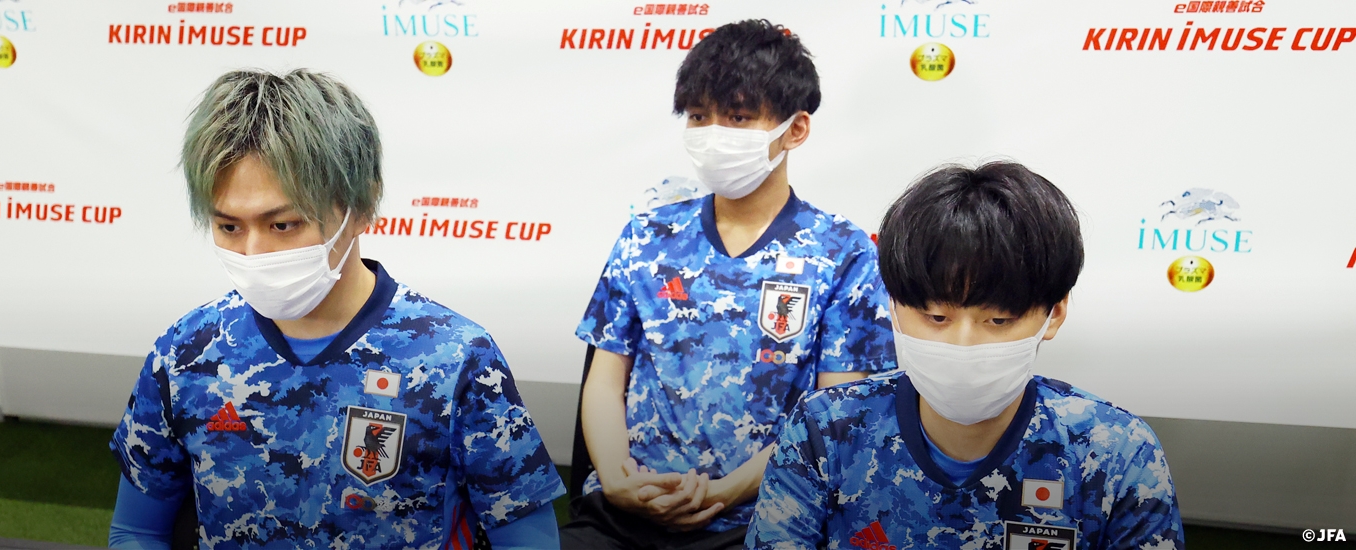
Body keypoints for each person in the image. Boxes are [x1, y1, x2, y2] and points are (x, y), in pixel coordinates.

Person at [107, 69, 565, 550]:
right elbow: (137, 531)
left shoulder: (455, 359)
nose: (253, 253)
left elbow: (527, 539)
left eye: (283, 225)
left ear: (361, 206)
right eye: (229, 227)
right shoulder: (186, 353)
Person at [560, 19, 897, 550]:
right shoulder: (648, 235)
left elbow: (835, 414)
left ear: (795, 129)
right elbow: (604, 380)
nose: (714, 133)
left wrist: (722, 493)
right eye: (699, 116)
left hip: (759, 521)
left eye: (738, 117)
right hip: (624, 512)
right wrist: (618, 480)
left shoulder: (843, 253)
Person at [746, 162, 1185, 549]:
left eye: (998, 321)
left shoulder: (1114, 453)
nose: (963, 345)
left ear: (1054, 314)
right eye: (936, 317)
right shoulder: (825, 431)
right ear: (894, 307)